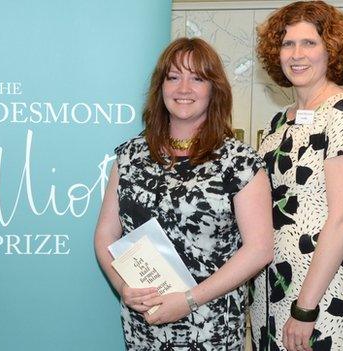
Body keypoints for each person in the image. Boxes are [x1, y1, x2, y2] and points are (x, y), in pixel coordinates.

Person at [94, 37, 274, 350]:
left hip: (211, 326)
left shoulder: (240, 162)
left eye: (197, 78)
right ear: (160, 87)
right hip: (144, 326)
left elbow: (259, 249)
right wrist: (123, 288)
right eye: (174, 77)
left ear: (214, 90)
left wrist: (188, 300)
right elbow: (106, 234)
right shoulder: (129, 156)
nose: (183, 89)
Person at [250, 2, 343, 351]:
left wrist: (305, 309)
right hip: (268, 286)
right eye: (288, 44)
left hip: (316, 289)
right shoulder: (280, 121)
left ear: (331, 50)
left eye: (309, 43)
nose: (296, 54)